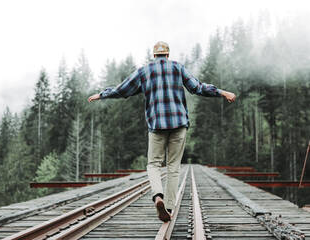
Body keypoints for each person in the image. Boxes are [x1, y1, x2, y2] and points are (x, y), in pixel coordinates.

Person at [88, 41, 236, 222]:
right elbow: (198, 87)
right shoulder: (177, 68)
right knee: (173, 167)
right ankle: (169, 207)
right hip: (178, 124)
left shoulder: (144, 71)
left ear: (154, 55)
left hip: (157, 125)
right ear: (167, 55)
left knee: (153, 164)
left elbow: (122, 90)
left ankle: (158, 196)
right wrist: (221, 92)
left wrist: (101, 94)